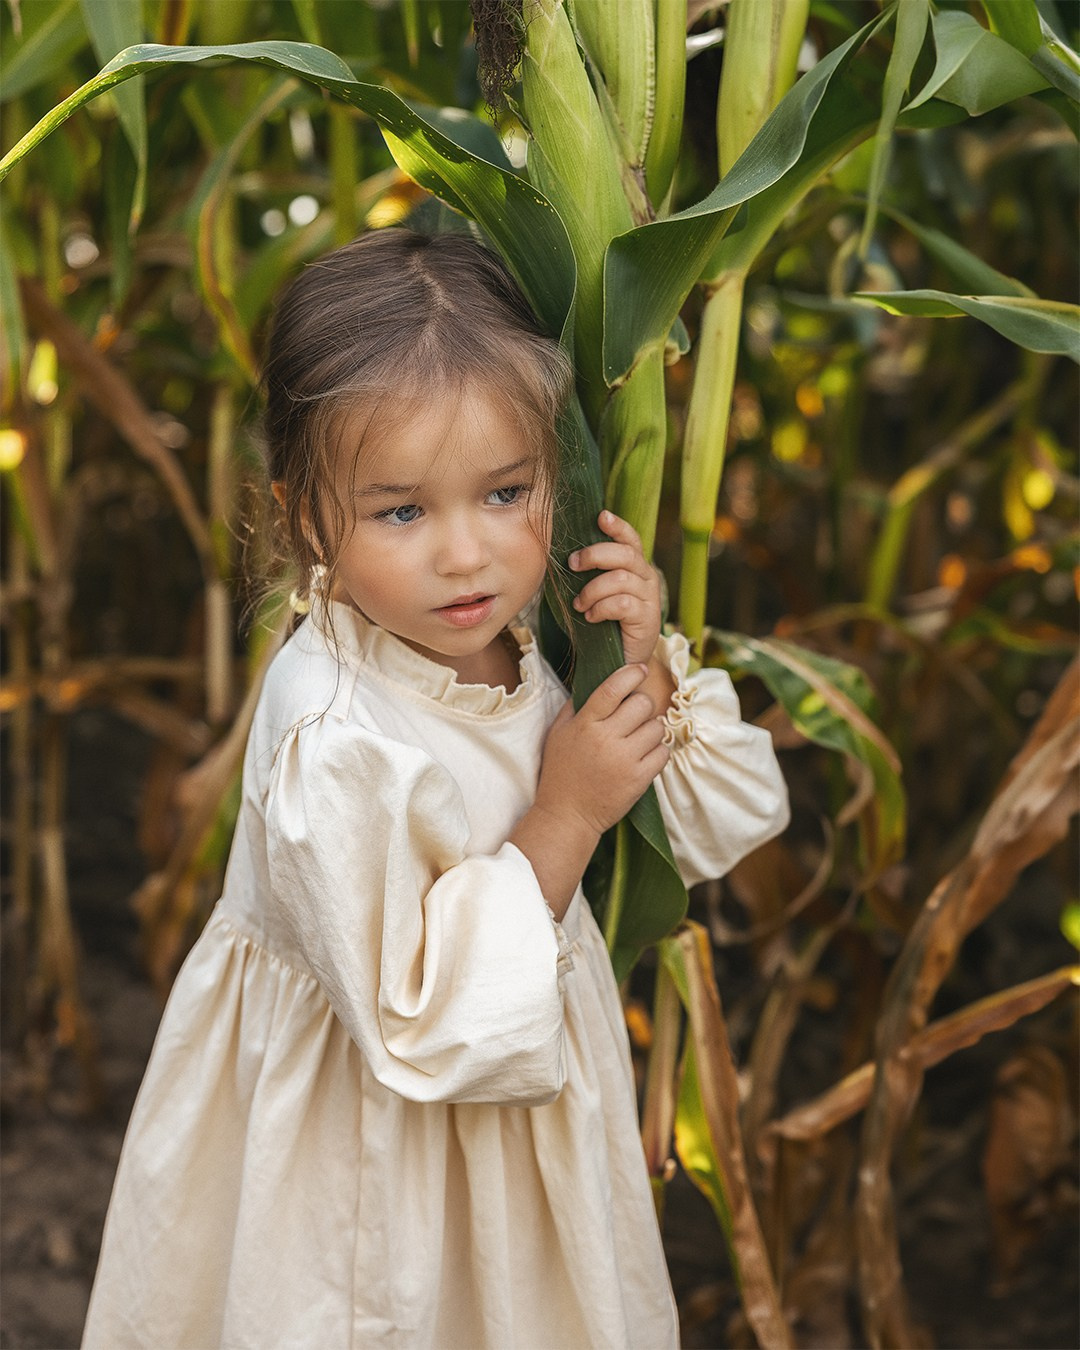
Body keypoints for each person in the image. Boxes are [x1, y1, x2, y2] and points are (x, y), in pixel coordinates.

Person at [82, 229, 789, 1350]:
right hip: (371, 1147)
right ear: (311, 515)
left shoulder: (536, 630)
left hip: (523, 1118)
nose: (467, 555)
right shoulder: (334, 729)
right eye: (402, 512)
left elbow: (727, 823)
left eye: (505, 492)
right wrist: (563, 814)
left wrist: (645, 664)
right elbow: (415, 1022)